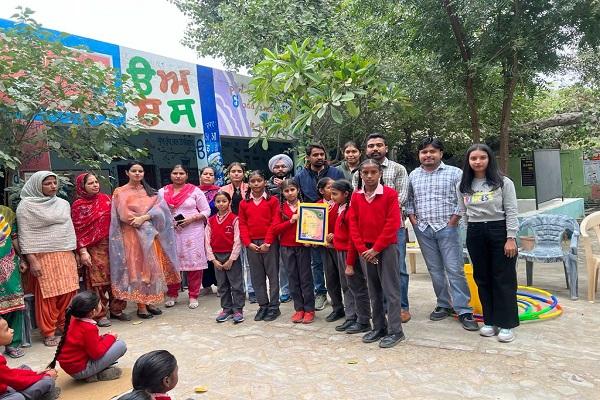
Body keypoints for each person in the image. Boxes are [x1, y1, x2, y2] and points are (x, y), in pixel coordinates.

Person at [406, 138, 479, 331]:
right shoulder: (413, 175)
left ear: (441, 153)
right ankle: (444, 304)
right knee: (435, 270)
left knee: (455, 269)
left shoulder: (455, 173)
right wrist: (413, 220)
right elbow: (409, 199)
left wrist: (454, 219)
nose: (428, 155)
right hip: (423, 229)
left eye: (432, 151)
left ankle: (464, 309)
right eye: (424, 152)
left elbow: (465, 197)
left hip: (448, 228)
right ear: (419, 155)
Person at [458, 144, 520, 342]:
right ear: (468, 161)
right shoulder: (463, 185)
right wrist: (469, 237)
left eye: (482, 157)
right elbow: (463, 214)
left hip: (499, 230)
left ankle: (506, 324)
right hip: (475, 233)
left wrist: (511, 238)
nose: (478, 161)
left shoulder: (503, 182)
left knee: (503, 278)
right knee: (482, 278)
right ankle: (489, 321)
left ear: (489, 159)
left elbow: (511, 211)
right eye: (473, 158)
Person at [352, 133, 411, 323]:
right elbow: (356, 211)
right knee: (373, 282)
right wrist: (364, 248)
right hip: (366, 238)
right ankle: (379, 320)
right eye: (371, 146)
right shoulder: (357, 177)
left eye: (379, 145)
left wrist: (378, 245)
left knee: (396, 272)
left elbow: (401, 198)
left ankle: (401, 309)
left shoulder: (398, 170)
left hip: (391, 233)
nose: (375, 148)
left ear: (386, 147)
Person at [109, 161, 180, 319]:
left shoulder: (151, 191)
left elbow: (162, 211)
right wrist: (138, 220)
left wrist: (145, 217)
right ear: (127, 172)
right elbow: (122, 214)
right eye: (133, 170)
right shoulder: (120, 192)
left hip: (150, 234)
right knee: (137, 269)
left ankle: (150, 302)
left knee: (151, 268)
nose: (137, 173)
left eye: (140, 171)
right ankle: (141, 306)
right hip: (132, 234)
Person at [17, 171, 79, 347]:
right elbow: (25, 235)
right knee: (47, 295)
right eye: (48, 183)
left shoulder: (63, 204)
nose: (53, 186)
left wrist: (74, 253)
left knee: (69, 291)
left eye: (54, 183)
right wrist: (32, 260)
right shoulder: (26, 206)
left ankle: (63, 325)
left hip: (64, 252)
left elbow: (68, 229)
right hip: (41, 255)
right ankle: (48, 331)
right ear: (37, 186)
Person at [349, 160, 405, 348]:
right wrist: (363, 249)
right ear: (361, 175)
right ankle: (379, 326)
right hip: (365, 250)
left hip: (385, 248)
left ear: (380, 173)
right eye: (366, 172)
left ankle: (396, 330)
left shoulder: (390, 194)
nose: (370, 176)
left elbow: (392, 224)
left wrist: (376, 249)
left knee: (391, 290)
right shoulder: (356, 197)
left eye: (374, 172)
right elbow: (353, 224)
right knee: (373, 289)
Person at [71, 173, 128, 327]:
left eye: (96, 182)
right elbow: (78, 230)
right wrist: (82, 251)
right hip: (94, 249)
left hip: (114, 245)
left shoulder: (107, 199)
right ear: (82, 187)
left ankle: (117, 310)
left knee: (119, 277)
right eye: (90, 183)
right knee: (98, 282)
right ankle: (99, 313)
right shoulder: (78, 205)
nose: (95, 185)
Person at [294, 143, 344, 311]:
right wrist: (306, 232)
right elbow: (298, 200)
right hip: (313, 226)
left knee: (338, 264)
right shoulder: (300, 175)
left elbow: (344, 194)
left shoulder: (336, 173)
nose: (319, 157)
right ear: (308, 157)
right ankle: (320, 293)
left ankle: (342, 297)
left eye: (322, 154)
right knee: (316, 263)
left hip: (336, 223)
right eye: (315, 155)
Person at [159, 165, 211, 309]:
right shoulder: (162, 192)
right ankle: (172, 294)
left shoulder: (195, 191)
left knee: (193, 264)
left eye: (181, 173)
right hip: (170, 232)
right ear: (170, 175)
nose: (178, 176)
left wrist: (192, 219)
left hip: (192, 231)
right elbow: (156, 211)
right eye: (175, 173)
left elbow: (206, 210)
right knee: (172, 265)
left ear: (187, 175)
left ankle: (193, 295)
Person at [49, 291, 126, 382]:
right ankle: (93, 374)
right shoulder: (88, 328)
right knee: (121, 345)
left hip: (73, 368)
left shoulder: (73, 321)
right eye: (99, 304)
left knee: (108, 341)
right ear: (93, 311)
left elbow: (89, 344)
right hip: (81, 370)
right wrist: (111, 337)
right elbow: (96, 353)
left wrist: (105, 337)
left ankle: (93, 374)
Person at [238, 170, 280, 322]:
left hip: (269, 243)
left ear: (265, 182)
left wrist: (268, 242)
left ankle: (275, 306)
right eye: (253, 181)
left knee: (273, 275)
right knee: (257, 276)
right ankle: (263, 305)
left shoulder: (272, 201)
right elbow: (242, 224)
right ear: (248, 183)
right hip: (251, 244)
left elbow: (275, 222)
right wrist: (248, 243)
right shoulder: (244, 203)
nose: (256, 184)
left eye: (259, 180)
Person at [330, 180, 372, 334]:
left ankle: (363, 320)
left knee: (358, 287)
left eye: (335, 194)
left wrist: (349, 263)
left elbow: (352, 238)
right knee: (347, 287)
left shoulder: (350, 211)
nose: (332, 197)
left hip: (350, 253)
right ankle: (351, 317)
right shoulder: (339, 208)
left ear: (346, 194)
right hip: (340, 251)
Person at [272, 180, 315, 324]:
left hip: (303, 246)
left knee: (305, 278)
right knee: (292, 278)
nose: (290, 193)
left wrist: (311, 239)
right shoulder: (280, 209)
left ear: (298, 190)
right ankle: (299, 309)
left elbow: (314, 227)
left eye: (292, 189)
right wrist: (291, 221)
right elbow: (275, 229)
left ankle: (309, 309)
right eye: (286, 191)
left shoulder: (306, 207)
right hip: (286, 247)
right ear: (282, 193)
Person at [205, 192, 245, 324]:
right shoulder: (210, 221)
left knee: (236, 284)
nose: (221, 204)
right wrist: (213, 259)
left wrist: (232, 259)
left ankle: (238, 309)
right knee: (222, 285)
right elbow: (206, 241)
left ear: (229, 202)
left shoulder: (235, 219)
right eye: (218, 201)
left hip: (231, 256)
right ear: (214, 203)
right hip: (217, 256)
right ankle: (226, 309)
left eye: (224, 201)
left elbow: (237, 240)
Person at [0, 317, 60, 400]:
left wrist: (36, 373)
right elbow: (14, 379)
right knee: (18, 397)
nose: (12, 330)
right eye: (6, 329)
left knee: (25, 368)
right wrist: (45, 375)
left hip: (5, 385)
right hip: (5, 390)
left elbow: (9, 374)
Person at [220, 163, 255, 304]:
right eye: (233, 171)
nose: (236, 174)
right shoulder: (223, 189)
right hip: (231, 228)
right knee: (236, 261)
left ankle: (252, 290)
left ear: (244, 173)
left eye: (239, 171)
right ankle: (239, 290)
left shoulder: (250, 188)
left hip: (248, 228)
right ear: (228, 174)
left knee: (249, 262)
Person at [266, 154, 294, 304]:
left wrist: (284, 186)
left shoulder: (295, 181)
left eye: (283, 166)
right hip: (272, 227)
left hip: (291, 226)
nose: (280, 169)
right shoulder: (266, 185)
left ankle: (293, 289)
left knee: (289, 262)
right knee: (278, 262)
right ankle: (284, 289)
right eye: (277, 166)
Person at [316, 177, 345, 323]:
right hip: (325, 248)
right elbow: (312, 228)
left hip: (340, 247)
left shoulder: (342, 205)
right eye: (329, 187)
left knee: (346, 278)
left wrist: (335, 236)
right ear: (321, 191)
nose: (333, 189)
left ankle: (354, 309)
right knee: (331, 278)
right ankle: (337, 308)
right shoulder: (316, 206)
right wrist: (313, 239)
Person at [0, 207, 26, 358]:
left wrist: (22, 258)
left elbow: (14, 238)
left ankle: (13, 343)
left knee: (15, 303)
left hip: (8, 265)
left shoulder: (6, 213)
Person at [198, 166, 220, 296]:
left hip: (215, 227)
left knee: (215, 254)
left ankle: (219, 284)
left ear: (214, 178)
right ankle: (206, 284)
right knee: (202, 256)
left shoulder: (220, 191)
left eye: (211, 174)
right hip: (198, 228)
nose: (207, 176)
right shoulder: (194, 191)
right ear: (200, 176)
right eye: (205, 174)